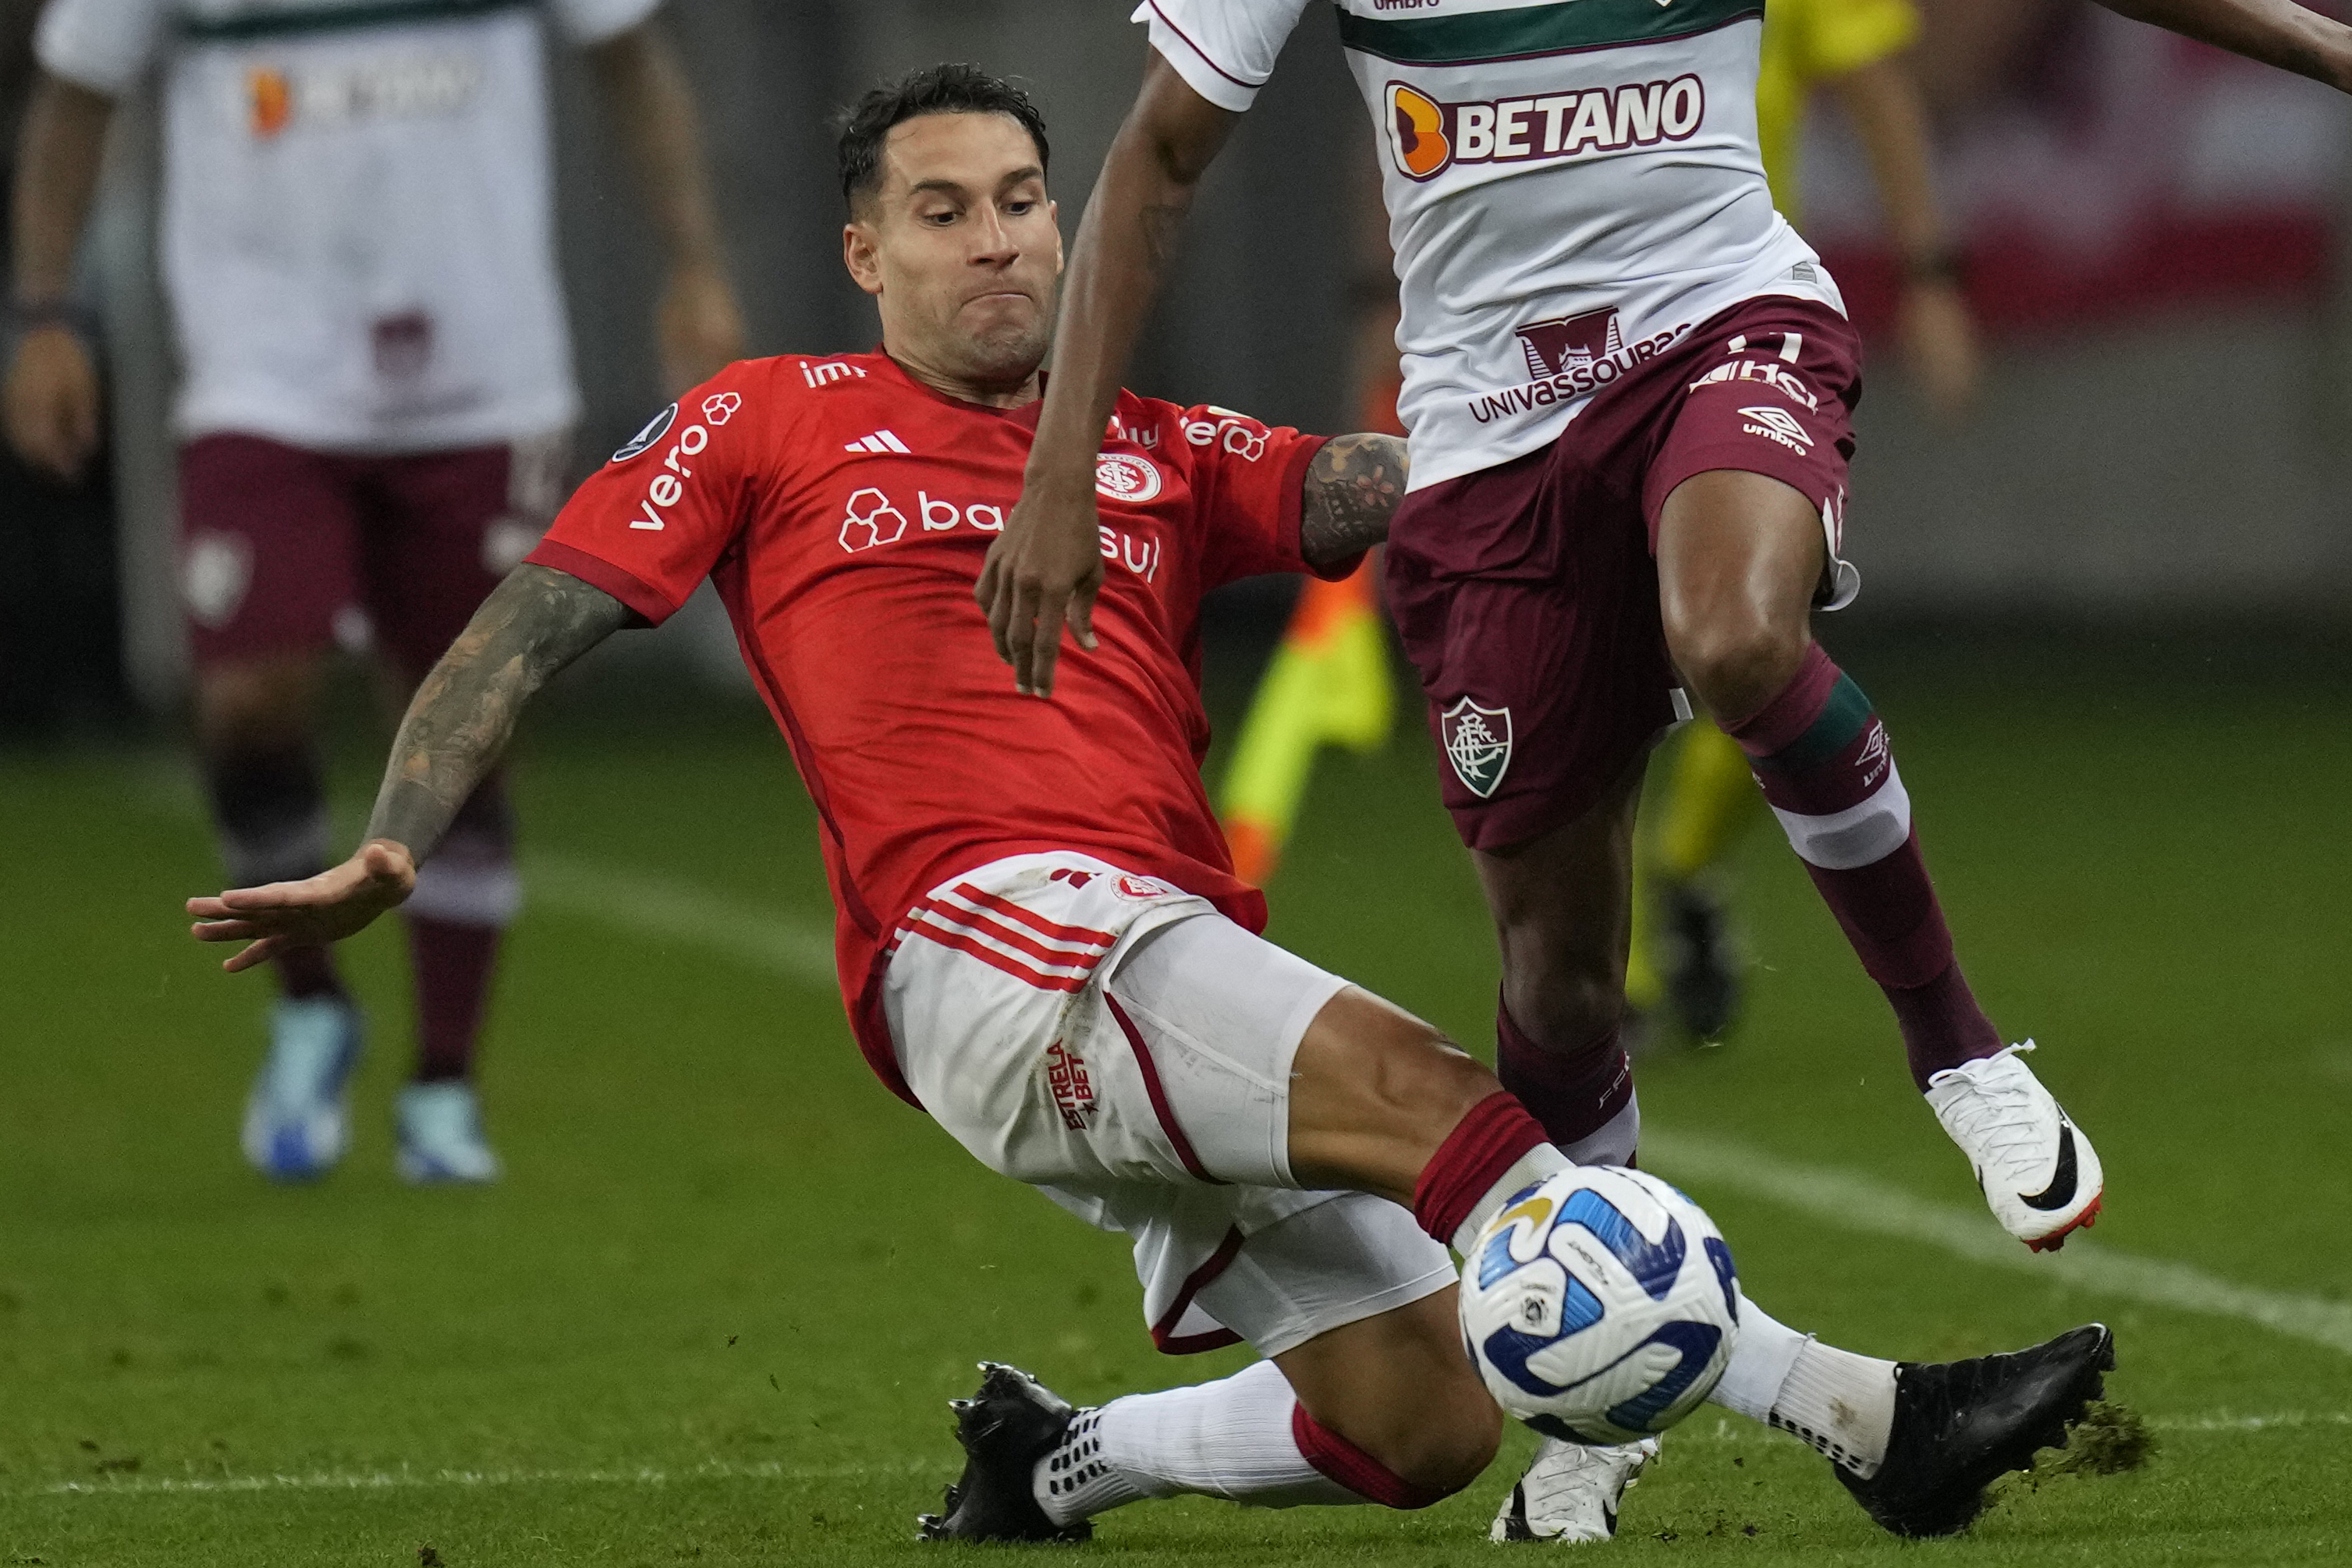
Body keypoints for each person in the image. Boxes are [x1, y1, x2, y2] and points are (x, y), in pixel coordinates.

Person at [186, 67, 2115, 1548]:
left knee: (1419, 1422)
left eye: (1025, 201)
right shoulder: (767, 419)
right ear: (864, 255)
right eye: (940, 214)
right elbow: (532, 618)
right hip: (995, 941)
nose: (1000, 241)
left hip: (1157, 961)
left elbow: (1412, 485)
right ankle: (1871, 1422)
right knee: (1471, 1122)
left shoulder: (1150, 446)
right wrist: (396, 839)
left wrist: (1656, 449)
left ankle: (1059, 1463)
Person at [978, 0, 2350, 1538]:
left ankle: (1958, 1057)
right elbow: (1159, 149)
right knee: (1558, 977)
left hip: (1718, 325)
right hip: (1486, 448)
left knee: (1736, 636)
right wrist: (1057, 466)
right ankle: (1597, 1409)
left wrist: (2313, 41)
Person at [7, 0, 743, 1182]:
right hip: (263, 366)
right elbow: (74, 91)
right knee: (248, 698)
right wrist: (44, 312)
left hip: (486, 369)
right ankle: (310, 1004)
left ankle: (443, 1085)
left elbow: (632, 54)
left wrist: (695, 262)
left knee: (474, 711)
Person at [1630, 0, 1980, 1041]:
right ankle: (1620, 973)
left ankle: (1682, 860)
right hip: (1561, 337)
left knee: (1749, 637)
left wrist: (1931, 276)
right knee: (1595, 646)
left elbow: (1874, 79)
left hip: (1735, 328)